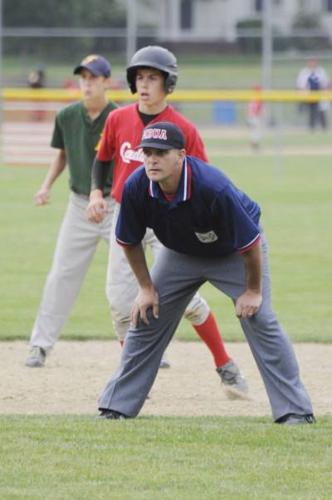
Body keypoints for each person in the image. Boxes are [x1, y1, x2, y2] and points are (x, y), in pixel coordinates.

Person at [96, 121, 315, 425]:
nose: (152, 159)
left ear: (181, 155)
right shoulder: (137, 185)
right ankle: (116, 406)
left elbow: (250, 244)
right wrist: (146, 288)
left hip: (232, 252)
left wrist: (252, 291)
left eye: (161, 152)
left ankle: (295, 410)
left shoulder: (213, 186)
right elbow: (129, 241)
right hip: (180, 253)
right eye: (147, 152)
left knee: (260, 317)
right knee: (147, 315)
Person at [87, 45, 248, 398]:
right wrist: (96, 192)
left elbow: (204, 178)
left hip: (169, 219)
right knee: (119, 301)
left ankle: (225, 365)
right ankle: (132, 382)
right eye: (140, 78)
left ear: (168, 83)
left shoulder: (183, 129)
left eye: (153, 78)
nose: (144, 85)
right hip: (126, 215)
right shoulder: (117, 119)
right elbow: (102, 159)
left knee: (181, 300)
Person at [25, 55, 117, 367]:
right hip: (79, 206)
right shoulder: (67, 115)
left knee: (128, 280)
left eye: (94, 78)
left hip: (115, 206)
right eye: (83, 77)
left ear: (107, 81)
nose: (87, 83)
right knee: (61, 275)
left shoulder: (119, 117)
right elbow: (63, 155)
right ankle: (40, 345)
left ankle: (148, 350)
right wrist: (46, 185)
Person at [296, 57, 330, 130]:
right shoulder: (304, 72)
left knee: (322, 111)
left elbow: (326, 83)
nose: (312, 63)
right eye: (310, 62)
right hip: (308, 95)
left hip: (320, 94)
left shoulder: (321, 71)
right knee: (311, 112)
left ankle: (324, 128)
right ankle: (312, 128)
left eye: (314, 61)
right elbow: (300, 85)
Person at [246, 85, 264, 150]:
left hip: (252, 116)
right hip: (255, 116)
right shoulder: (257, 98)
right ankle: (255, 146)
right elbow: (257, 108)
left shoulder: (253, 97)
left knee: (253, 131)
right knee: (256, 131)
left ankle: (254, 145)